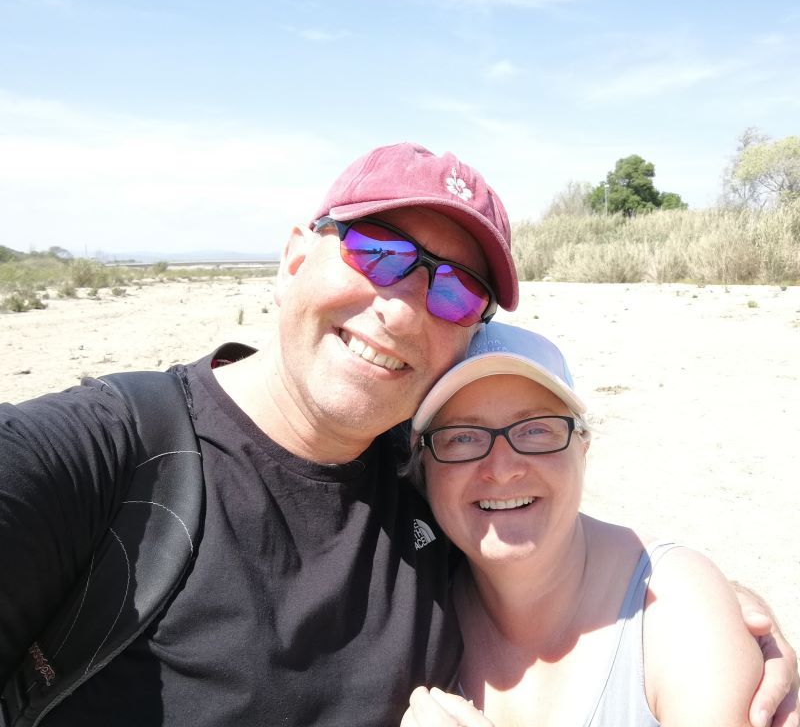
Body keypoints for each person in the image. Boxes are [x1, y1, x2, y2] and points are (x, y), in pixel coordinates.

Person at [0, 143, 796, 727]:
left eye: (456, 289)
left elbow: (526, 503)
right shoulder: (101, 457)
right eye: (378, 252)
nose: (406, 306)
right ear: (292, 257)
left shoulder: (421, 480)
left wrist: (688, 600)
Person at [400, 321, 795, 727]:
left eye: (536, 429)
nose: (501, 469)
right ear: (423, 467)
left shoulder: (676, 607)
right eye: (462, 437)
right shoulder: (412, 604)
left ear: (583, 448)